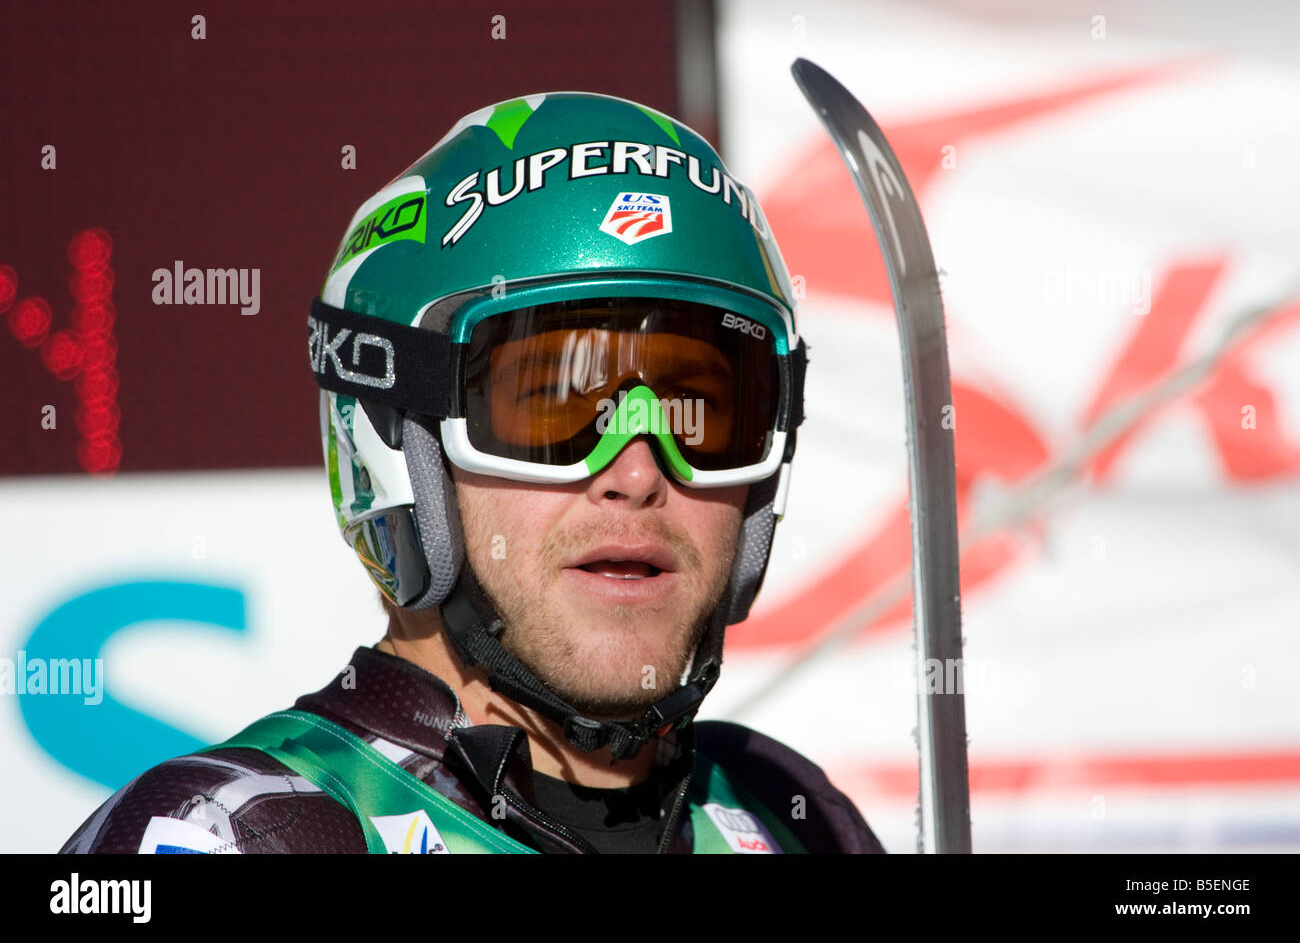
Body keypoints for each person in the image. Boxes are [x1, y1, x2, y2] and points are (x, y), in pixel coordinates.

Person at [61, 92, 885, 854]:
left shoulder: (792, 815)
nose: (636, 471)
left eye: (697, 410)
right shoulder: (246, 830)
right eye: (555, 404)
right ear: (400, 454)